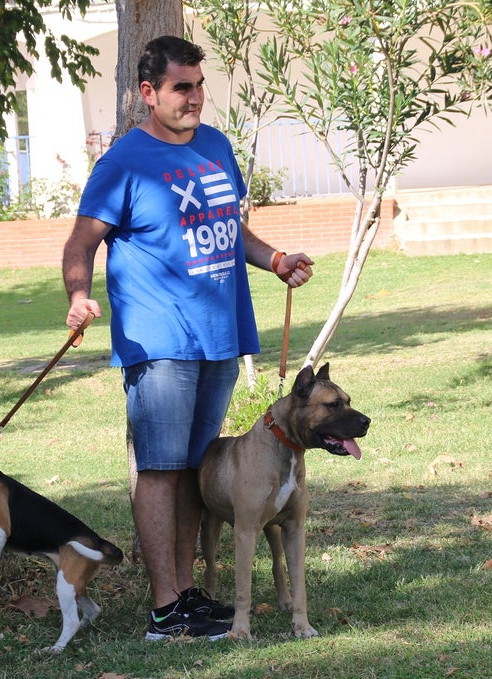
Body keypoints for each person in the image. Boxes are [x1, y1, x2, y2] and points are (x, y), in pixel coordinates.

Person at [61, 35, 314, 642]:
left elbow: (229, 227)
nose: (195, 97)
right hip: (159, 340)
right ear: (148, 93)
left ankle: (188, 594)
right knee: (161, 469)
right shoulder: (122, 162)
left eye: (199, 85)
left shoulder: (216, 145)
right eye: (182, 87)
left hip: (220, 336)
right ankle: (164, 606)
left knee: (197, 469)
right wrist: (78, 294)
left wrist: (273, 259)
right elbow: (80, 243)